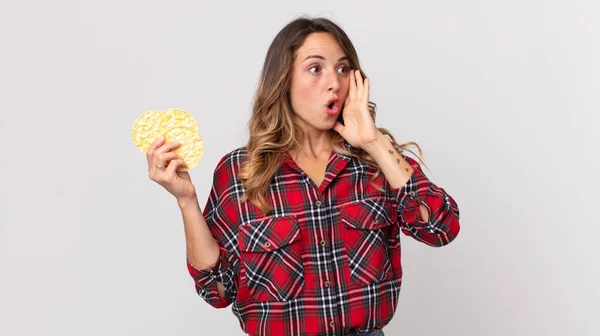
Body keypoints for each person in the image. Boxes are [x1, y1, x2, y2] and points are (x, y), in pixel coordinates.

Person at [146, 16, 460, 336]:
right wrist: (187, 202)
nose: (334, 82)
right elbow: (218, 290)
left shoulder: (378, 161)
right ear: (284, 81)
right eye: (315, 68)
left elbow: (440, 228)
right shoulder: (241, 172)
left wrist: (374, 142)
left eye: (343, 68)